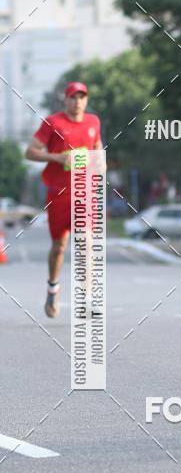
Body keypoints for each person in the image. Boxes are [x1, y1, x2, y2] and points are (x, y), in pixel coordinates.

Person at [25, 82, 102, 318]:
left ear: (86, 100)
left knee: (85, 243)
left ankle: (88, 298)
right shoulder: (53, 123)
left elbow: (97, 146)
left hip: (84, 191)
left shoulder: (93, 122)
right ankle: (52, 287)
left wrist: (99, 160)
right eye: (73, 97)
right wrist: (57, 158)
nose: (77, 101)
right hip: (58, 193)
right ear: (66, 100)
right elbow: (30, 151)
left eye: (82, 97)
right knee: (59, 247)